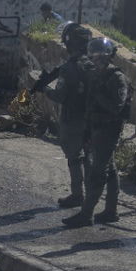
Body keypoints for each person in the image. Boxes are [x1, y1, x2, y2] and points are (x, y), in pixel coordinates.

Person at [64, 36, 128, 227]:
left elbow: (116, 107)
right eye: (95, 57)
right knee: (110, 169)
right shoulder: (96, 75)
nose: (97, 61)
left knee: (98, 173)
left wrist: (99, 94)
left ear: (109, 57)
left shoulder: (116, 77)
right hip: (95, 128)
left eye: (101, 58)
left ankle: (86, 214)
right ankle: (110, 211)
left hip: (109, 129)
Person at [32, 22, 93, 208]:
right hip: (91, 118)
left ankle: (77, 195)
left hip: (72, 118)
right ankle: (92, 195)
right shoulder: (92, 65)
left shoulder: (68, 68)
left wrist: (44, 89)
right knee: (90, 157)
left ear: (69, 44)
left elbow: (60, 95)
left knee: (74, 158)